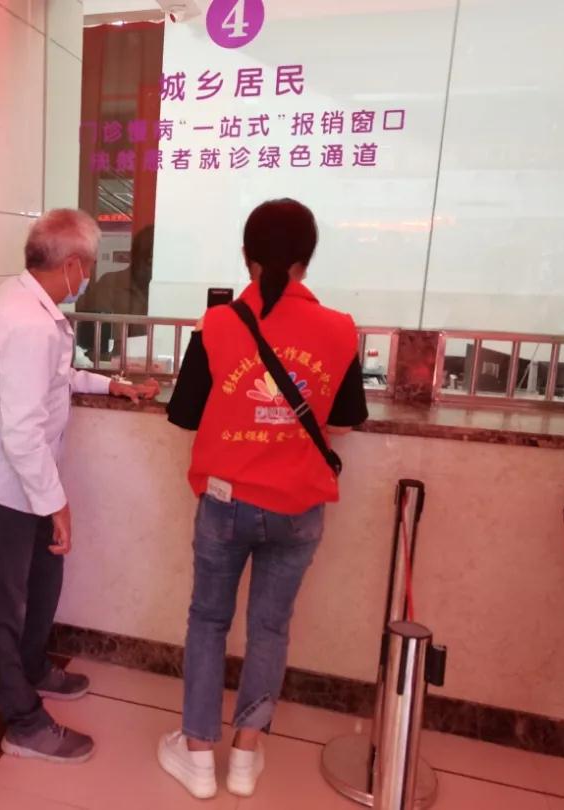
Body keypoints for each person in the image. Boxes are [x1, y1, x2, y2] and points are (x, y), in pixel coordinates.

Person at [158, 199, 368, 799]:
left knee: (208, 620)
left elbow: (184, 414)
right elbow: (345, 421)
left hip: (225, 503)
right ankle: (246, 758)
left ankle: (199, 757)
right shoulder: (339, 328)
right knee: (270, 628)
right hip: (298, 508)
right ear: (307, 259)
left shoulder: (218, 324)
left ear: (246, 257)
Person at [0, 208, 160, 764]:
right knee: (2, 607)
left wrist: (112, 385)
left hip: (23, 479)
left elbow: (56, 377)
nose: (87, 277)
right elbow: (20, 432)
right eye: (87, 266)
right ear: (70, 264)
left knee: (45, 578)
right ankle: (23, 722)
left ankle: (34, 667)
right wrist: (57, 504)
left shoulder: (28, 303)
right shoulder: (27, 321)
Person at [75, 225, 154, 361]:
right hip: (112, 366)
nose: (151, 268)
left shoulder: (163, 292)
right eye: (148, 261)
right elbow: (101, 345)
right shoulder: (110, 284)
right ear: (134, 257)